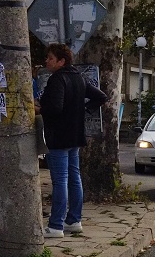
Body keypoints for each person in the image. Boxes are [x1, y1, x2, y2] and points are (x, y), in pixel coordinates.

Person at [35, 43, 107, 238]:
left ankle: (56, 225)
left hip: (58, 136)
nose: (46, 61)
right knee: (74, 178)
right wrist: (84, 110)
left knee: (60, 181)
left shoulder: (57, 79)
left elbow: (56, 108)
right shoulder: (79, 78)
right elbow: (101, 96)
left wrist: (40, 109)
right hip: (75, 134)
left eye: (50, 58)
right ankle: (74, 220)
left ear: (61, 61)